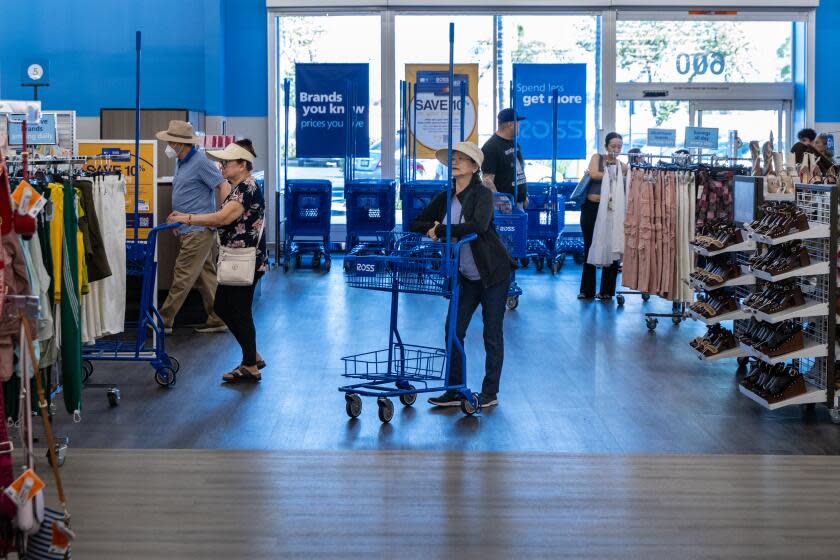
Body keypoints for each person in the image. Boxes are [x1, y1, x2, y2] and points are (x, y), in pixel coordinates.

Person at [412, 141, 515, 409]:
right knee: (453, 330)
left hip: (493, 273)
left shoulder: (482, 194)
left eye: (461, 158)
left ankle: (490, 393)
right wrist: (434, 227)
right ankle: (455, 389)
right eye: (453, 158)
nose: (455, 162)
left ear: (474, 166)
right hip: (467, 276)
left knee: (492, 333)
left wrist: (441, 230)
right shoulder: (446, 196)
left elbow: (478, 226)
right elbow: (416, 221)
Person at [167, 140, 267, 383]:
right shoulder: (239, 187)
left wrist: (187, 218)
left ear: (242, 165)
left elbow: (222, 218)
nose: (221, 166)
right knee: (223, 306)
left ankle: (250, 365)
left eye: (226, 163)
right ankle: (252, 355)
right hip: (236, 258)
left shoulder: (246, 189)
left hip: (245, 260)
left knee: (240, 311)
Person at [156, 120, 230, 334]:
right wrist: (179, 220)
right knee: (206, 275)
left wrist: (221, 216)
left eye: (171, 142)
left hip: (199, 230)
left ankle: (164, 320)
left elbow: (223, 184)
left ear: (180, 143)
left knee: (182, 274)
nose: (169, 145)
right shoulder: (181, 162)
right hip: (188, 227)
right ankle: (219, 318)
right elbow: (187, 193)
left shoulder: (200, 162)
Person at [579, 132, 626, 301]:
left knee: (612, 247)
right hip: (592, 209)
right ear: (606, 146)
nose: (616, 149)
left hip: (611, 210)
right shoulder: (597, 158)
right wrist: (613, 172)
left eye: (619, 147)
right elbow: (594, 174)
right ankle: (587, 290)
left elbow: (629, 173)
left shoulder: (621, 164)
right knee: (589, 246)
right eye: (613, 146)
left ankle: (607, 290)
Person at [481, 108, 528, 209]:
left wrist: (524, 196)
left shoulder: (514, 143)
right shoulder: (490, 147)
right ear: (510, 124)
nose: (519, 125)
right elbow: (487, 180)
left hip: (518, 203)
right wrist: (501, 202)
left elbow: (519, 170)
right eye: (518, 122)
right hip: (503, 207)